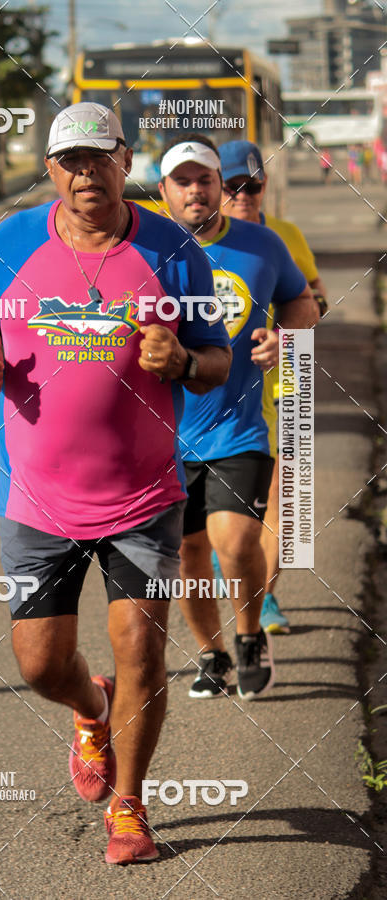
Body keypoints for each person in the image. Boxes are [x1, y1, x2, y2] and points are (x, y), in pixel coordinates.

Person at [0, 104, 231, 863]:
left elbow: (217, 360)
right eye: (70, 161)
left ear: (125, 159)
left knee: (141, 645)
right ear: (51, 169)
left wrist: (180, 363)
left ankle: (131, 805)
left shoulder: (174, 251)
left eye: (99, 158)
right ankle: (90, 707)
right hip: (36, 497)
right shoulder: (11, 242)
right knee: (42, 665)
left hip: (143, 494)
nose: (86, 174)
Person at [158, 135, 319, 701]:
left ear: (219, 188)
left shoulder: (263, 245)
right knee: (186, 553)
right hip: (164, 436)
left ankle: (249, 634)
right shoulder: (145, 249)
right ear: (165, 192)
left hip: (238, 426)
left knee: (236, 541)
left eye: (208, 180)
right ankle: (212, 652)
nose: (198, 191)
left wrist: (285, 338)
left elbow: (302, 300)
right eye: (184, 181)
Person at [218, 139, 327, 634]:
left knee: (285, 503)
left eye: (253, 186)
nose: (243, 195)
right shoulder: (190, 244)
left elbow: (314, 299)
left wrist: (283, 338)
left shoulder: (283, 236)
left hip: (287, 387)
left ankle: (262, 603)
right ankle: (240, 573)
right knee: (223, 512)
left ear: (264, 188)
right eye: (232, 186)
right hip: (217, 393)